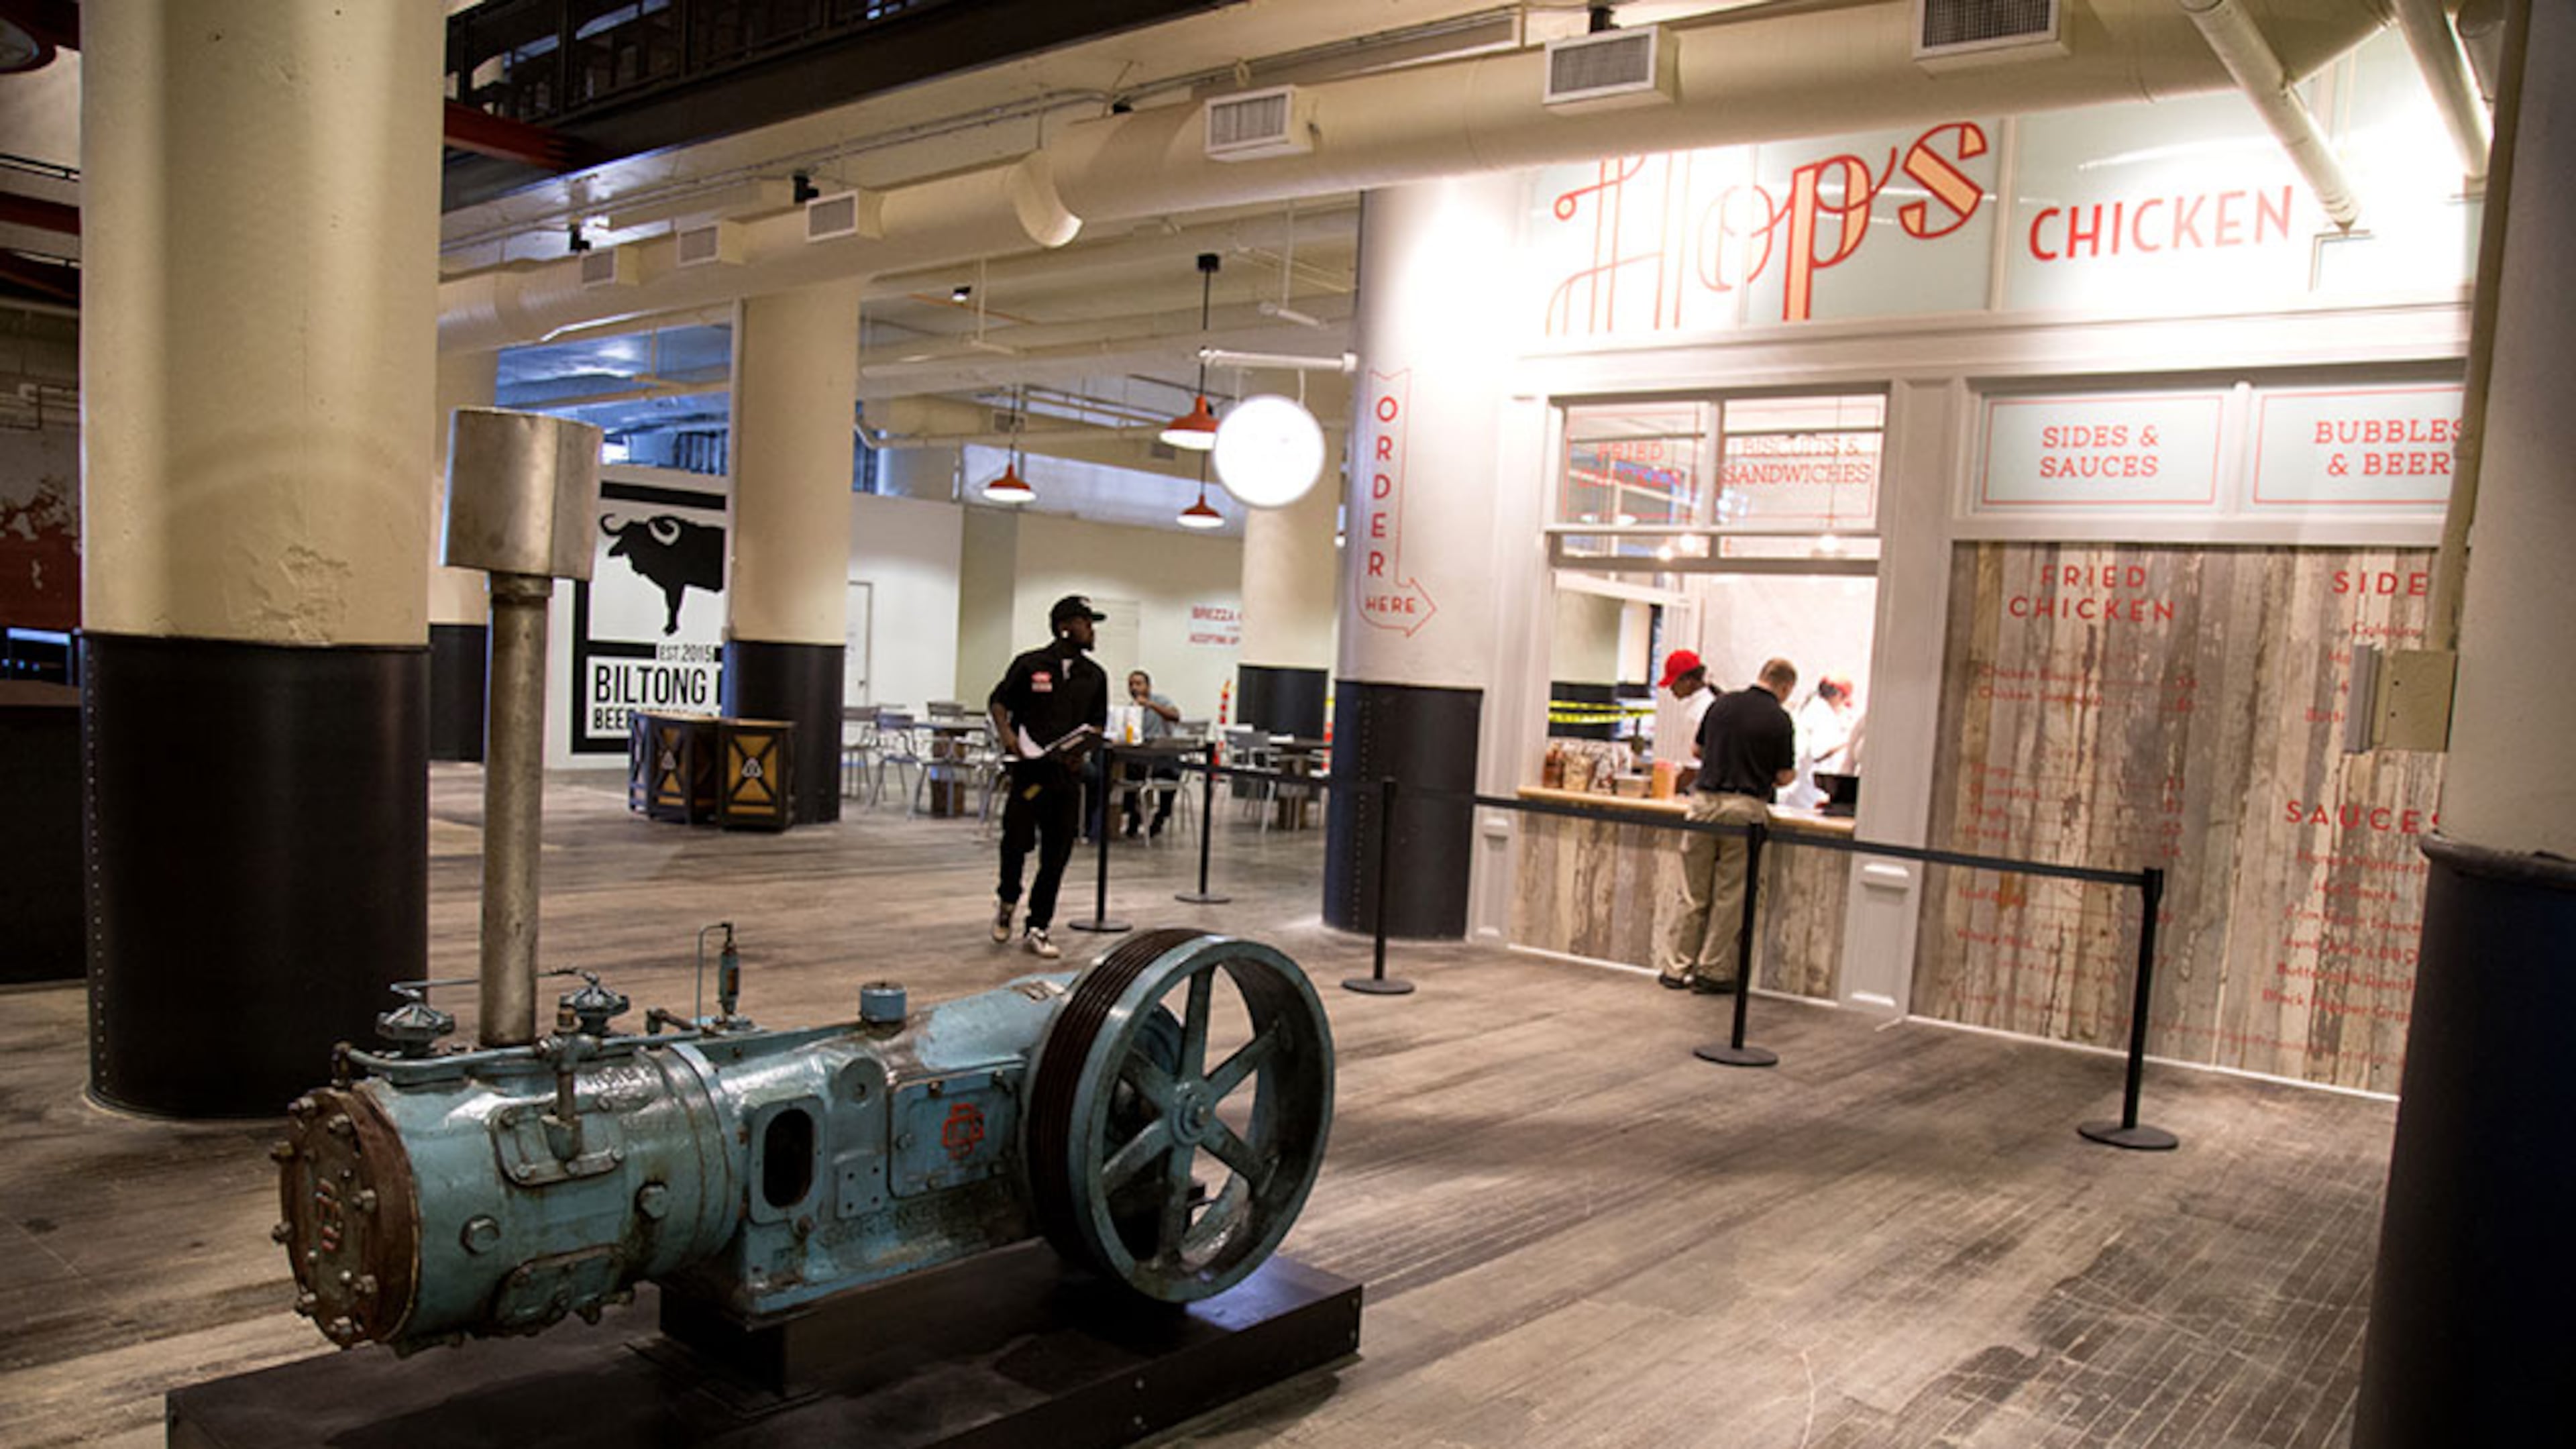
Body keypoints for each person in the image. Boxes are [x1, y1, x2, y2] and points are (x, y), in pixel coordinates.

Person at [1658, 657, 1799, 994]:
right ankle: (1713, 970)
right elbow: (1784, 775)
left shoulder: (1721, 705)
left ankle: (1675, 969)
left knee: (1691, 892)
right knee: (1729, 896)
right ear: (1784, 687)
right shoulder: (1780, 719)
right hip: (1744, 808)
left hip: (1704, 803)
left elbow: (1697, 749)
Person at [986, 594, 1110, 959]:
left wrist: (1082, 749)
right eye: (1087, 623)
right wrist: (1009, 738)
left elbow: (1098, 721)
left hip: (1066, 776)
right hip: (1029, 773)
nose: (1092, 631)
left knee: (1056, 855)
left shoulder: (1095, 676)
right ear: (1065, 627)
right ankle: (1008, 899)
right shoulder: (1029, 665)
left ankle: (1038, 925)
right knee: (1016, 843)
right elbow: (998, 702)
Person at [1120, 669, 1183, 839]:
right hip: (1140, 756)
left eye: (1139, 684)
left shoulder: (1160, 701)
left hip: (1162, 756)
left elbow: (1175, 715)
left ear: (1148, 686)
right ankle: (1134, 815)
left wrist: (1151, 705)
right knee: (1130, 770)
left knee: (1172, 770)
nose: (1134, 688)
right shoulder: (1130, 709)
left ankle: (1161, 817)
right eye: (1131, 684)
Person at [1782, 674, 1858, 811]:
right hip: (1806, 793)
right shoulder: (1823, 714)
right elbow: (1819, 751)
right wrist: (1849, 740)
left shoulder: (1812, 707)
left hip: (1799, 789)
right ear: (1838, 696)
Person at [1658, 647, 1713, 765]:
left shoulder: (1699, 711)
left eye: (1673, 683)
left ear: (1688, 681)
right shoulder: (1702, 705)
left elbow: (1692, 762)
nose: (1671, 688)